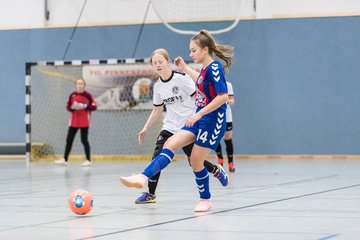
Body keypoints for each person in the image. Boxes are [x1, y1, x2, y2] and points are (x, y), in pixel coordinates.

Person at [120, 30, 233, 212]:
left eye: (193, 50)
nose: (190, 54)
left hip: (212, 120)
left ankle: (206, 199)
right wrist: (186, 68)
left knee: (195, 161)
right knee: (170, 144)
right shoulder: (204, 71)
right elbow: (202, 82)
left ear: (205, 50)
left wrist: (197, 113)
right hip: (195, 119)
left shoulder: (214, 67)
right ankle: (142, 177)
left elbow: (223, 97)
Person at [55, 78, 97, 166]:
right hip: (74, 122)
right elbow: (68, 106)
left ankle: (88, 160)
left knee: (84, 140)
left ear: (84, 85)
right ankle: (65, 159)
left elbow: (94, 106)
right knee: (69, 140)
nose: (80, 85)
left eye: (81, 83)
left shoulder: (88, 95)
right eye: (78, 83)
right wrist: (72, 108)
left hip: (84, 122)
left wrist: (85, 106)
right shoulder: (72, 95)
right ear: (76, 85)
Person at [216, 81, 235, 172]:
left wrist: (226, 101)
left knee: (228, 139)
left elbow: (232, 100)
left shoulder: (228, 84)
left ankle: (231, 163)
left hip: (227, 116)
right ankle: (220, 159)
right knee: (216, 139)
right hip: (215, 115)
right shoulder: (212, 84)